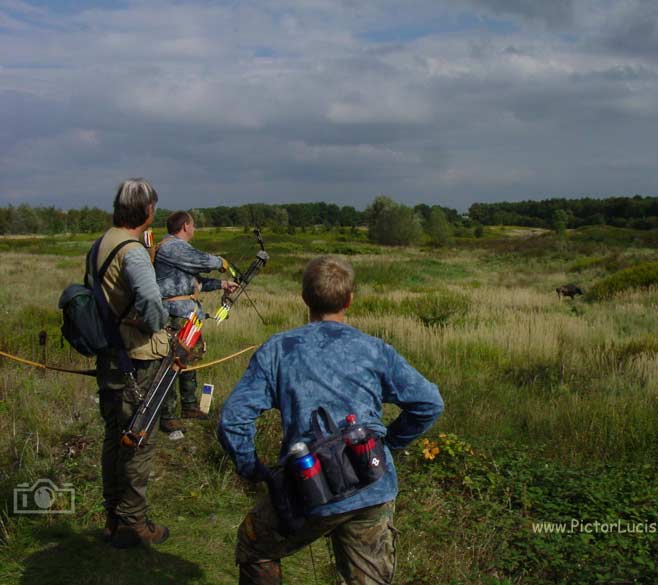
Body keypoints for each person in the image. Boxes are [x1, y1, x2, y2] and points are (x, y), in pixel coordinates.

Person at [218, 255, 444, 584]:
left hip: (306, 485)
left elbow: (233, 418)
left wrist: (252, 468)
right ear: (349, 299)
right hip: (371, 481)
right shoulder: (374, 349)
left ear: (304, 297)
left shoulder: (279, 350)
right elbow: (429, 402)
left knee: (256, 544)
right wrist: (389, 443)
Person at [94, 178, 171, 548]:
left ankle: (113, 515)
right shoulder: (134, 251)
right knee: (137, 440)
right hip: (137, 361)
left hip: (110, 354)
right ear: (147, 210)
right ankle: (132, 523)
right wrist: (152, 323)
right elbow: (153, 307)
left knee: (114, 437)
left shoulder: (102, 243)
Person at [154, 210, 238, 435]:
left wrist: (222, 285)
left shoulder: (180, 250)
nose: (195, 229)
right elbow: (201, 261)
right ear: (184, 227)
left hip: (189, 314)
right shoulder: (173, 247)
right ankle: (168, 416)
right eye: (193, 225)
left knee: (189, 360)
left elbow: (194, 283)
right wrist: (219, 261)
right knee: (172, 363)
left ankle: (189, 405)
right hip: (174, 314)